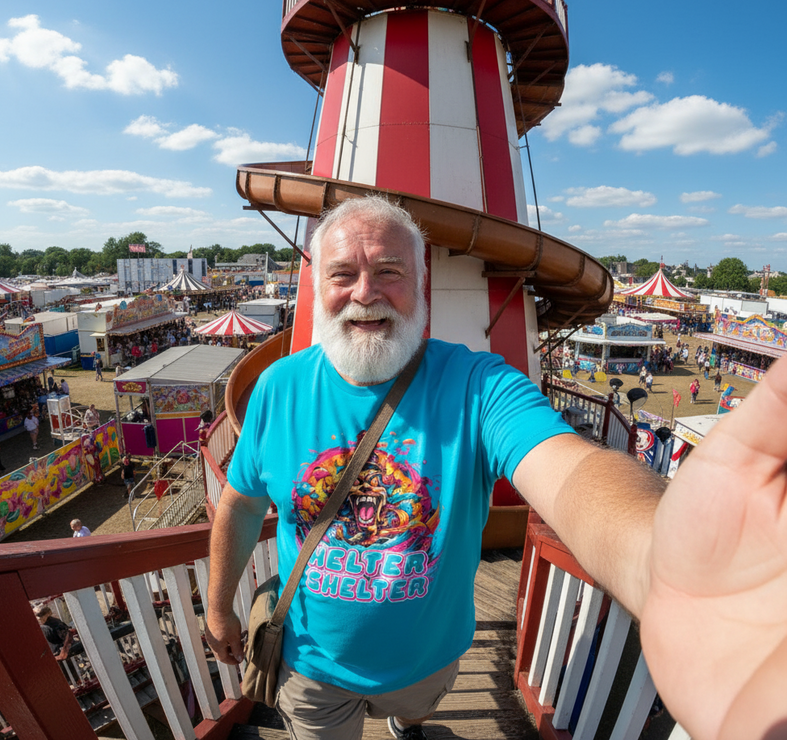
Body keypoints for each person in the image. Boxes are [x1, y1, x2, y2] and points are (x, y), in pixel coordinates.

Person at [205, 197, 787, 740]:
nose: (366, 292)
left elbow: (566, 467)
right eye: (342, 274)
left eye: (390, 271)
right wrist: (216, 607)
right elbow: (241, 502)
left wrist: (656, 553)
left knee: (416, 714)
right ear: (316, 287)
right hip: (310, 666)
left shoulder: (478, 385)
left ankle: (406, 724)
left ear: (421, 284)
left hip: (428, 662)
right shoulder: (279, 389)